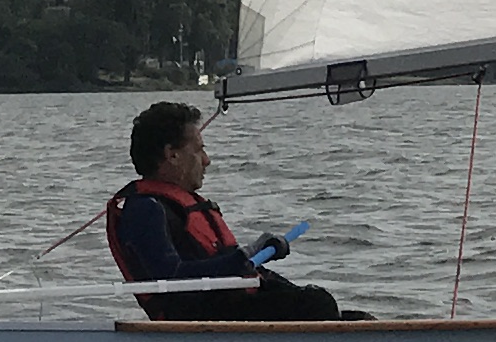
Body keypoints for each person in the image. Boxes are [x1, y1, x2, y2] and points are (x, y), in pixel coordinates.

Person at [107, 101, 356, 321]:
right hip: (195, 320)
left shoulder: (175, 205)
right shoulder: (145, 210)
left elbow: (230, 268)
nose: (206, 160)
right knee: (317, 304)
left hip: (228, 305)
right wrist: (244, 256)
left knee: (340, 311)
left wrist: (260, 262)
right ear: (172, 155)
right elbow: (172, 278)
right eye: (199, 150)